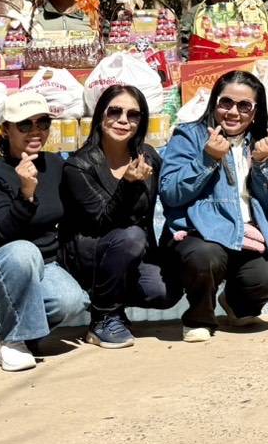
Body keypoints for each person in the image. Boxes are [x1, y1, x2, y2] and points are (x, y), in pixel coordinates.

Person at [160, 71, 268, 342]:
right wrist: (207, 158)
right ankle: (199, 317)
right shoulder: (189, 135)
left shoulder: (263, 142)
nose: (233, 112)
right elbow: (170, 192)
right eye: (226, 102)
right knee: (205, 257)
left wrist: (262, 163)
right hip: (199, 233)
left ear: (255, 112)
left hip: (247, 233)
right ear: (214, 103)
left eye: (244, 106)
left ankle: (237, 305)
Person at [0, 92, 90, 370]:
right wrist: (26, 195)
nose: (35, 131)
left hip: (46, 264)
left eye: (43, 123)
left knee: (71, 302)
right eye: (24, 125)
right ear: (5, 130)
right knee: (24, 251)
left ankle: (23, 333)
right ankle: (12, 341)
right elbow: (0, 234)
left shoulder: (55, 165)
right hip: (0, 267)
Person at [61, 84, 182, 349]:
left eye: (133, 114)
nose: (123, 120)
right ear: (100, 116)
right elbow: (101, 221)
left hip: (132, 255)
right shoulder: (78, 166)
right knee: (131, 236)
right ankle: (103, 317)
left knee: (165, 291)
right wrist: (128, 185)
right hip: (89, 256)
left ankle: (113, 306)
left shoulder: (148, 157)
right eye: (114, 112)